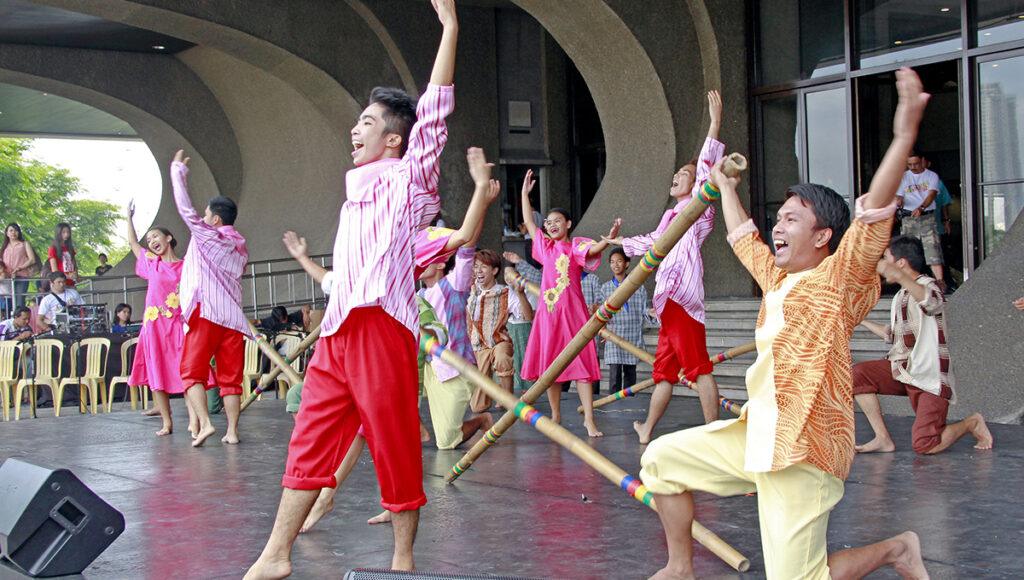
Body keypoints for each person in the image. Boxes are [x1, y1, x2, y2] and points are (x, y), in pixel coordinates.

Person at [639, 67, 931, 580]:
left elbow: (872, 216)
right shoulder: (777, 280)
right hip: (758, 434)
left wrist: (904, 134)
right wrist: (725, 188)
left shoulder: (840, 279)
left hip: (806, 447)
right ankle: (680, 567)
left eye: (793, 218)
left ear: (823, 237)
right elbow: (743, 239)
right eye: (781, 215)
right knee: (660, 462)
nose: (779, 223)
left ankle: (896, 550)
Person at [244, 1, 457, 575]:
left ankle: (403, 559)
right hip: (337, 333)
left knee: (392, 444)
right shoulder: (354, 194)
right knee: (307, 440)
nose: (355, 128)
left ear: (393, 141)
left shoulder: (407, 180)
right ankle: (275, 554)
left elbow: (433, 115)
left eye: (367, 122)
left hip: (382, 328)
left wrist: (451, 29)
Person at [605, 90, 725, 442]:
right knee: (663, 373)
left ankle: (715, 432)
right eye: (677, 172)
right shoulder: (670, 215)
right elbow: (651, 243)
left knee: (699, 367)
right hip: (667, 300)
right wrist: (618, 243)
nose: (677, 176)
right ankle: (647, 429)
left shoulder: (699, 209)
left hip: (681, 298)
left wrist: (715, 123)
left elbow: (706, 173)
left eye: (683, 173)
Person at [852, 235, 993, 454]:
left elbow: (932, 301)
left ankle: (972, 422)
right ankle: (882, 438)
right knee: (857, 375)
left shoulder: (928, 286)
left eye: (886, 258)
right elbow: (894, 335)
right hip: (905, 370)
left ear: (900, 264)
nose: (882, 264)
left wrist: (899, 276)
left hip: (928, 377)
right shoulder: (901, 295)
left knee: (925, 445)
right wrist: (860, 320)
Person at [519, 169, 620, 438]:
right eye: (549, 222)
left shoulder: (575, 246)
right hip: (549, 315)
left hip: (573, 314)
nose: (551, 225)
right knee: (551, 368)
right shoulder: (545, 248)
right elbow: (529, 223)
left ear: (568, 224)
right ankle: (555, 414)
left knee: (583, 366)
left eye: (557, 221)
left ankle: (589, 418)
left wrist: (606, 240)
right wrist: (524, 195)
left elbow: (594, 251)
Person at [170, 150, 250, 447]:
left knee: (191, 371)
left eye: (207, 215)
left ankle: (204, 424)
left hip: (205, 311)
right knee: (231, 378)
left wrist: (178, 172)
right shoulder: (240, 247)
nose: (202, 219)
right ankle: (232, 431)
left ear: (215, 219)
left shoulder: (210, 236)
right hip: (232, 317)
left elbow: (186, 211)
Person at [125, 201, 199, 436]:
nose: (152, 242)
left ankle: (195, 421)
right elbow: (133, 244)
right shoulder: (151, 263)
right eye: (149, 240)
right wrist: (129, 218)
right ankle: (167, 423)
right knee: (156, 373)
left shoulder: (185, 265)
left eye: (155, 236)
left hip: (178, 326)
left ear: (168, 238)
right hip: (154, 328)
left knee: (186, 373)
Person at [466, 248, 528, 412]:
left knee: (502, 359)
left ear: (494, 270)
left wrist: (521, 294)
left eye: (483, 267)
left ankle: (508, 399)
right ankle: (496, 391)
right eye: (475, 266)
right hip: (477, 347)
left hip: (499, 341)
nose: (478, 270)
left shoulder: (506, 292)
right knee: (477, 407)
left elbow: (527, 317)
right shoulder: (469, 291)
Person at [600, 248, 655, 394]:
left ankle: (629, 405)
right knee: (614, 376)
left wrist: (650, 312)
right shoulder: (605, 288)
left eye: (619, 261)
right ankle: (612, 406)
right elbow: (601, 313)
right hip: (614, 336)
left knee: (630, 376)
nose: (615, 265)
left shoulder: (638, 287)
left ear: (627, 264)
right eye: (612, 262)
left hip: (632, 336)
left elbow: (644, 310)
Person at [897, 150, 945, 285]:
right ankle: (909, 283)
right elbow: (899, 195)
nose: (913, 167)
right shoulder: (904, 177)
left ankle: (940, 281)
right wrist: (898, 201)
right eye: (910, 165)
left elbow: (931, 195)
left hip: (926, 217)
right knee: (907, 251)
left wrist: (921, 207)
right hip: (908, 218)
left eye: (916, 164)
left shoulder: (931, 176)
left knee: (932, 249)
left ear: (922, 161)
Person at [502, 251, 538, 393]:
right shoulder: (504, 291)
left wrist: (520, 293)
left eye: (511, 274)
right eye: (506, 275)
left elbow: (528, 316)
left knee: (526, 366)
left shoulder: (530, 290)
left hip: (525, 332)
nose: (508, 278)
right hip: (508, 332)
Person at [2, 223, 39, 308]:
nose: (13, 232)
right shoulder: (5, 246)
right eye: (11, 230)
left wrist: (19, 268)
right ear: (7, 233)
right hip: (7, 278)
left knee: (19, 302)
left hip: (21, 276)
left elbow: (32, 259)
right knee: (7, 303)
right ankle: (8, 321)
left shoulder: (24, 244)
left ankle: (19, 320)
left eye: (16, 230)